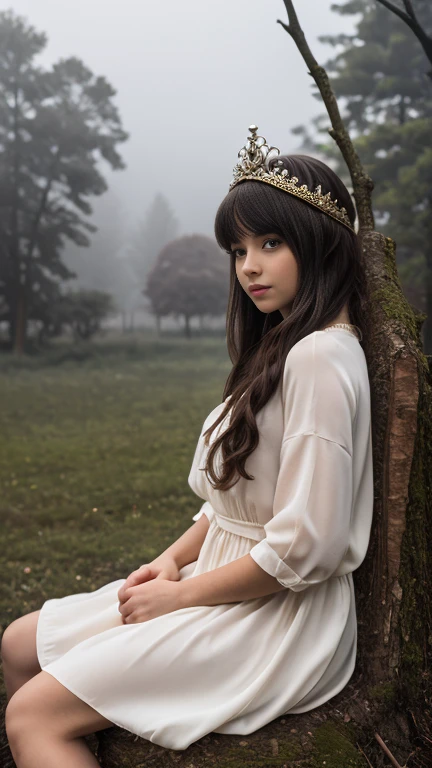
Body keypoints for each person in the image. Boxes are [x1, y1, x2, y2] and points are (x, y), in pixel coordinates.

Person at [1, 125, 374, 763]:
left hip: (276, 615)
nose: (249, 265)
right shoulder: (284, 344)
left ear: (322, 244)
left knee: (30, 715)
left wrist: (181, 597)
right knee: (17, 644)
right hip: (220, 575)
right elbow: (235, 498)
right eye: (237, 249)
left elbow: (310, 543)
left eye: (271, 242)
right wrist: (172, 561)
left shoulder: (320, 357)